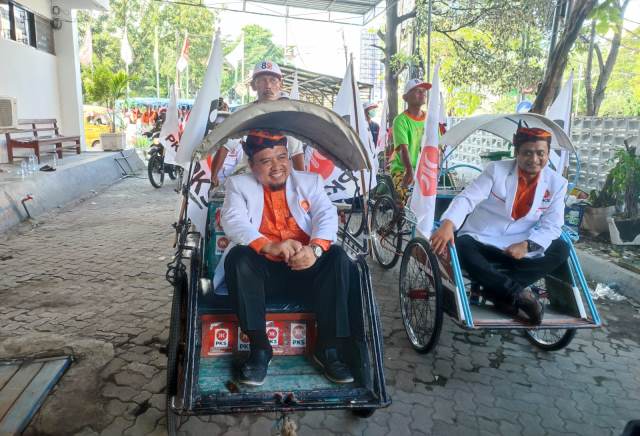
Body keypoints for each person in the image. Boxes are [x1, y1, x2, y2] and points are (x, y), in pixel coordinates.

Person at [219, 130, 354, 386]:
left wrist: (314, 251)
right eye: (266, 160)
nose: (277, 167)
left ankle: (328, 349)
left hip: (306, 269)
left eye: (282, 157)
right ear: (252, 165)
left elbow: (326, 215)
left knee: (337, 256)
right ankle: (260, 348)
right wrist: (269, 246)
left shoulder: (310, 182)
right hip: (264, 276)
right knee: (238, 257)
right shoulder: (238, 185)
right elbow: (233, 220)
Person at [430, 126, 570, 325]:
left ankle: (497, 291)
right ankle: (514, 293)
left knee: (562, 248)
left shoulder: (557, 183)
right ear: (517, 153)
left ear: (548, 154)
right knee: (461, 245)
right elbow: (468, 198)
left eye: (541, 153)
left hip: (520, 245)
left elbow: (553, 225)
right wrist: (447, 224)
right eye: (527, 153)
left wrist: (528, 245)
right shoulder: (496, 170)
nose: (534, 159)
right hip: (483, 238)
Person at [209, 61, 305, 186]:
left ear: (280, 85)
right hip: (249, 177)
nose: (268, 85)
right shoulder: (243, 113)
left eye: (273, 80)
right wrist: (213, 176)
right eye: (262, 80)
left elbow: (296, 152)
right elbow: (226, 146)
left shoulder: (288, 114)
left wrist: (301, 184)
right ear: (253, 86)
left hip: (279, 178)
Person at [391, 79, 432, 204]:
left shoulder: (430, 119)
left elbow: (436, 147)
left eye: (424, 91)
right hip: (403, 169)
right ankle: (396, 218)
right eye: (417, 91)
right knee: (405, 200)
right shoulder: (400, 121)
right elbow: (404, 148)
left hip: (425, 170)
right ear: (405, 97)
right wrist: (409, 170)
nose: (423, 93)